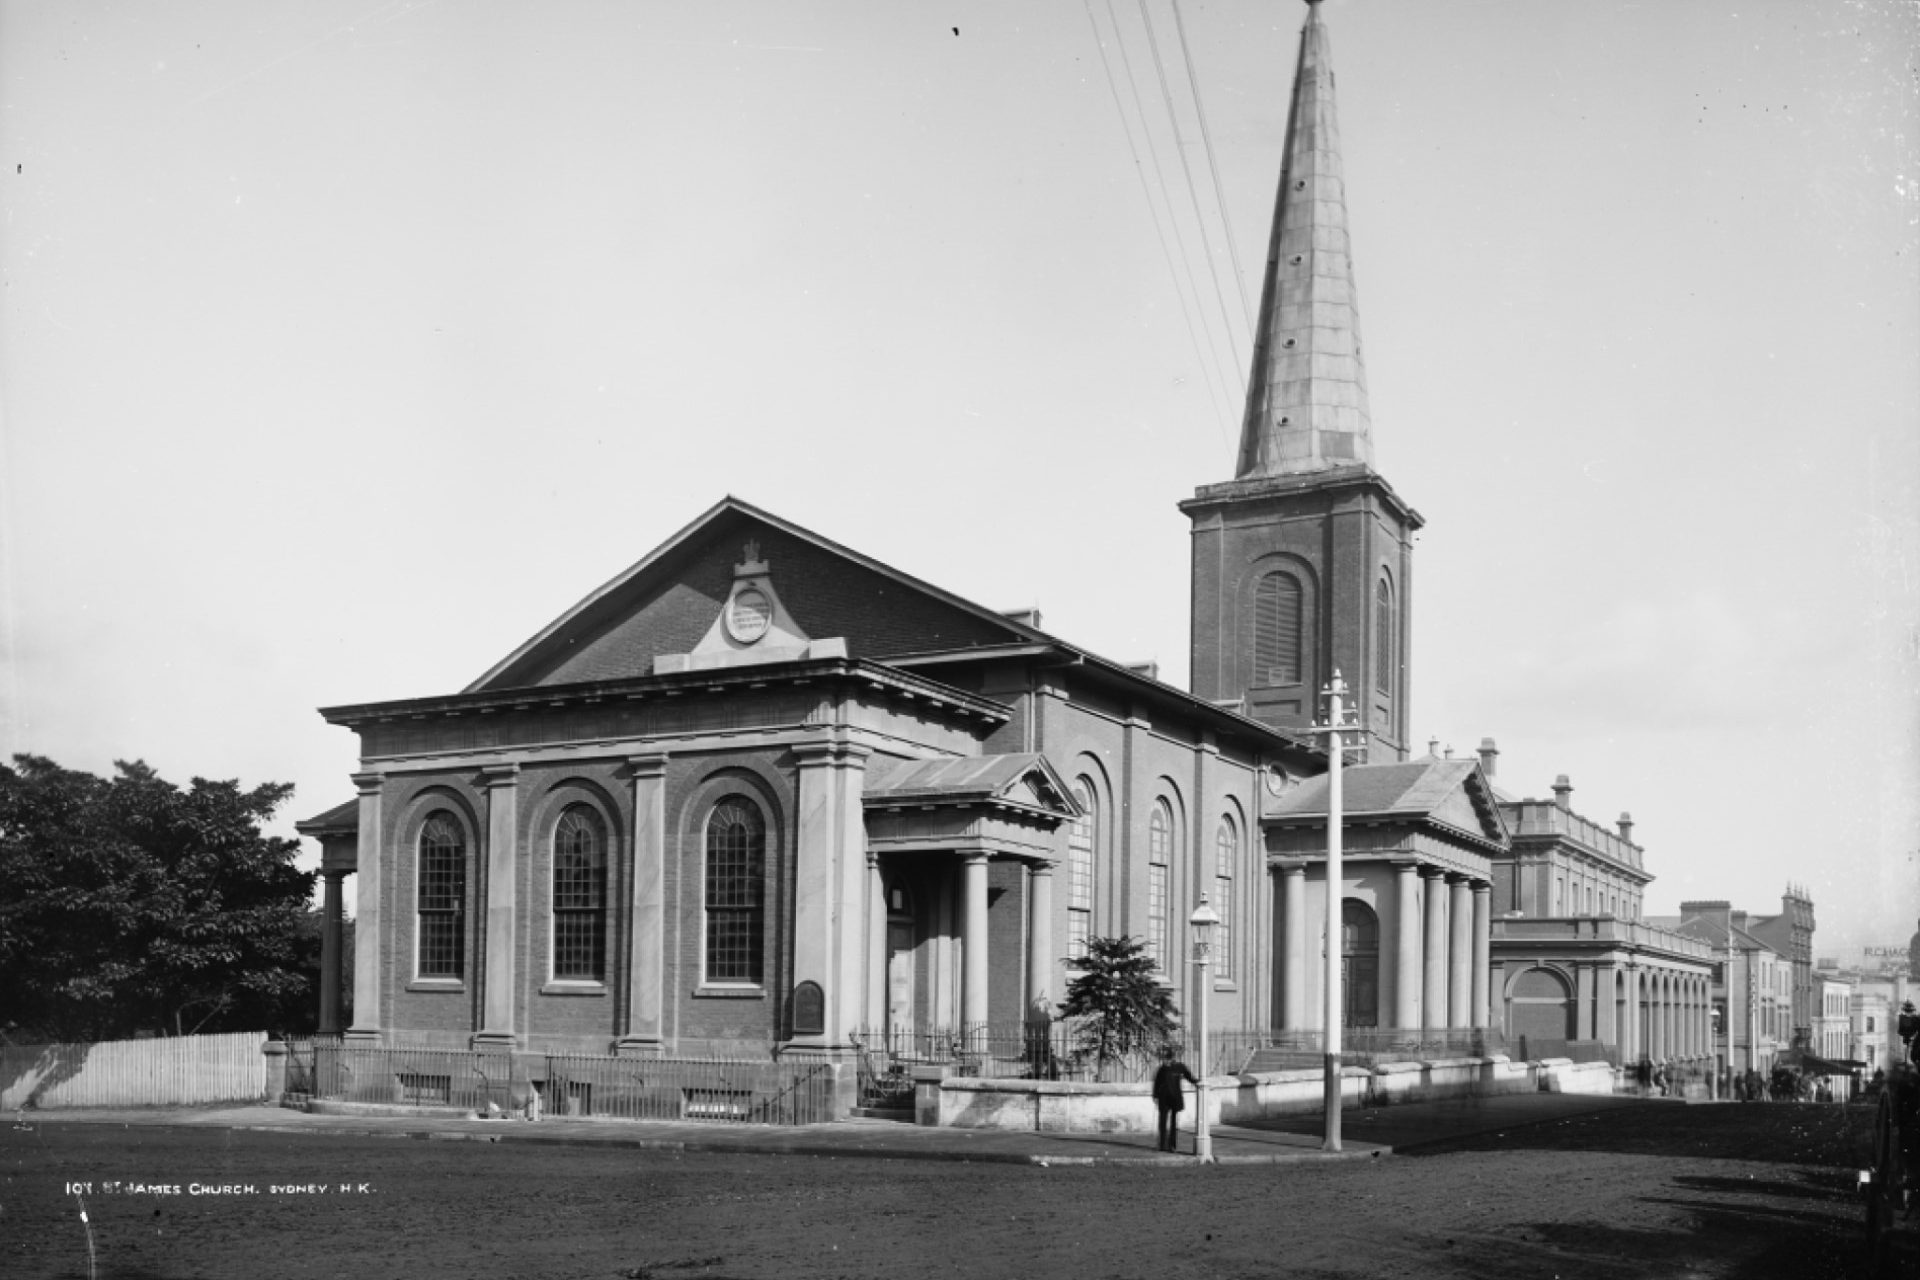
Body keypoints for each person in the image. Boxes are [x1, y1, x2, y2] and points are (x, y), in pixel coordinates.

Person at [1152, 1044, 1199, 1153]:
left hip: (1174, 1098)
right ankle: (1162, 1144)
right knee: (1162, 1123)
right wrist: (1155, 1096)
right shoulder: (1162, 1069)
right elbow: (1157, 1083)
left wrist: (1197, 1082)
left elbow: (1189, 1076)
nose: (1164, 1062)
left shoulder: (1179, 1067)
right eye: (1164, 1059)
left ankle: (1172, 1146)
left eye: (1166, 1059)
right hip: (1163, 1099)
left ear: (1171, 1059)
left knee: (1173, 1123)